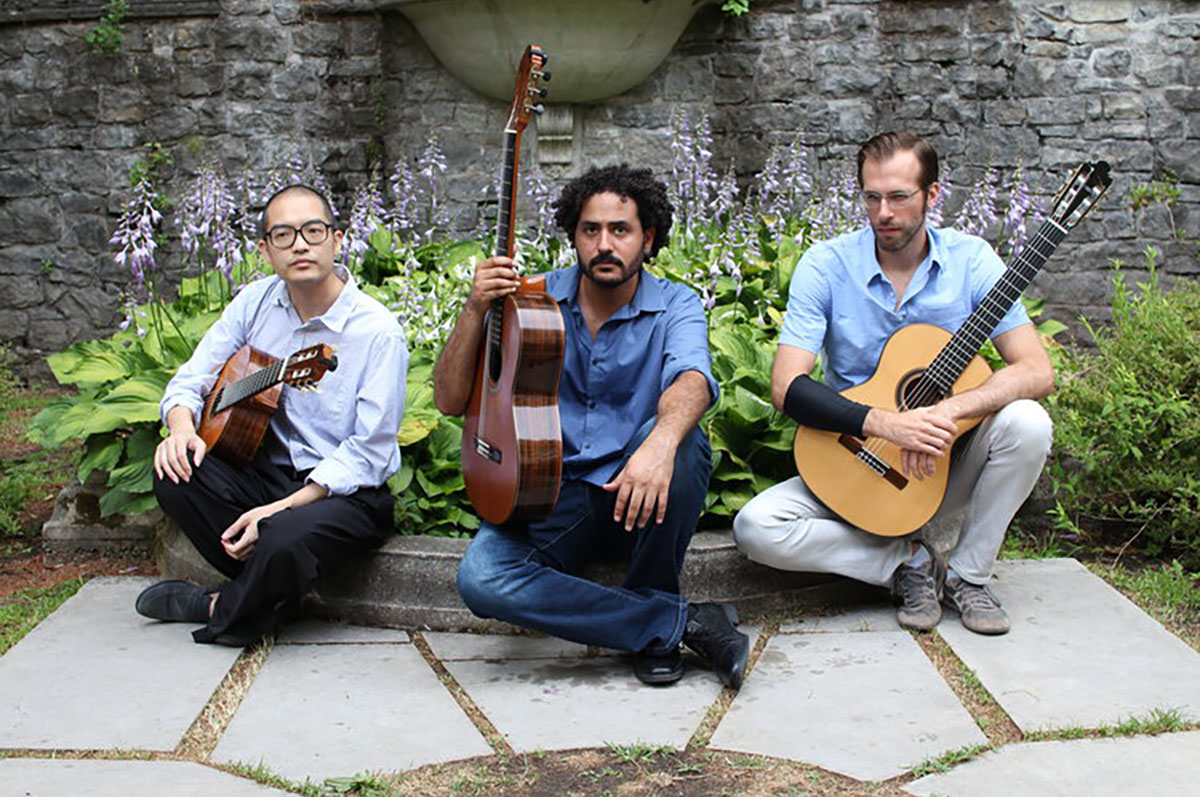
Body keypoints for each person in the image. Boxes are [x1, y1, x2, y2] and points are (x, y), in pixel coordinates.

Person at [434, 165, 750, 687]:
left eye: (620, 230)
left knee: (687, 443)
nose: (604, 244)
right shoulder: (527, 302)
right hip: (545, 499)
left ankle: (652, 613)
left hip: (636, 496)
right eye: (590, 230)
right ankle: (672, 624)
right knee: (481, 580)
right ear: (574, 236)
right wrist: (474, 307)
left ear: (648, 239)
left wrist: (659, 444)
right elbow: (447, 400)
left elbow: (693, 380)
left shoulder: (676, 304)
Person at [733, 131, 1054, 636]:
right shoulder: (827, 265)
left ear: (932, 195)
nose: (884, 212)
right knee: (755, 528)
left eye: (899, 197)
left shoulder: (971, 262)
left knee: (1028, 423)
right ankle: (907, 566)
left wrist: (948, 413)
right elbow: (786, 387)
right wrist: (888, 423)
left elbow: (1036, 369)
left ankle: (968, 576)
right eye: (872, 197)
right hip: (850, 458)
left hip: (940, 467)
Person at [135, 184, 408, 646]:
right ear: (265, 250)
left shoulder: (377, 332)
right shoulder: (255, 302)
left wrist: (277, 511)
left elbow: (370, 453)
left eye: (313, 231)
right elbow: (192, 378)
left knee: (282, 537)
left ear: (337, 240)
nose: (300, 244)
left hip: (343, 496)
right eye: (283, 235)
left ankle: (222, 605)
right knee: (173, 472)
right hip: (263, 473)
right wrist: (181, 428)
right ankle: (274, 587)